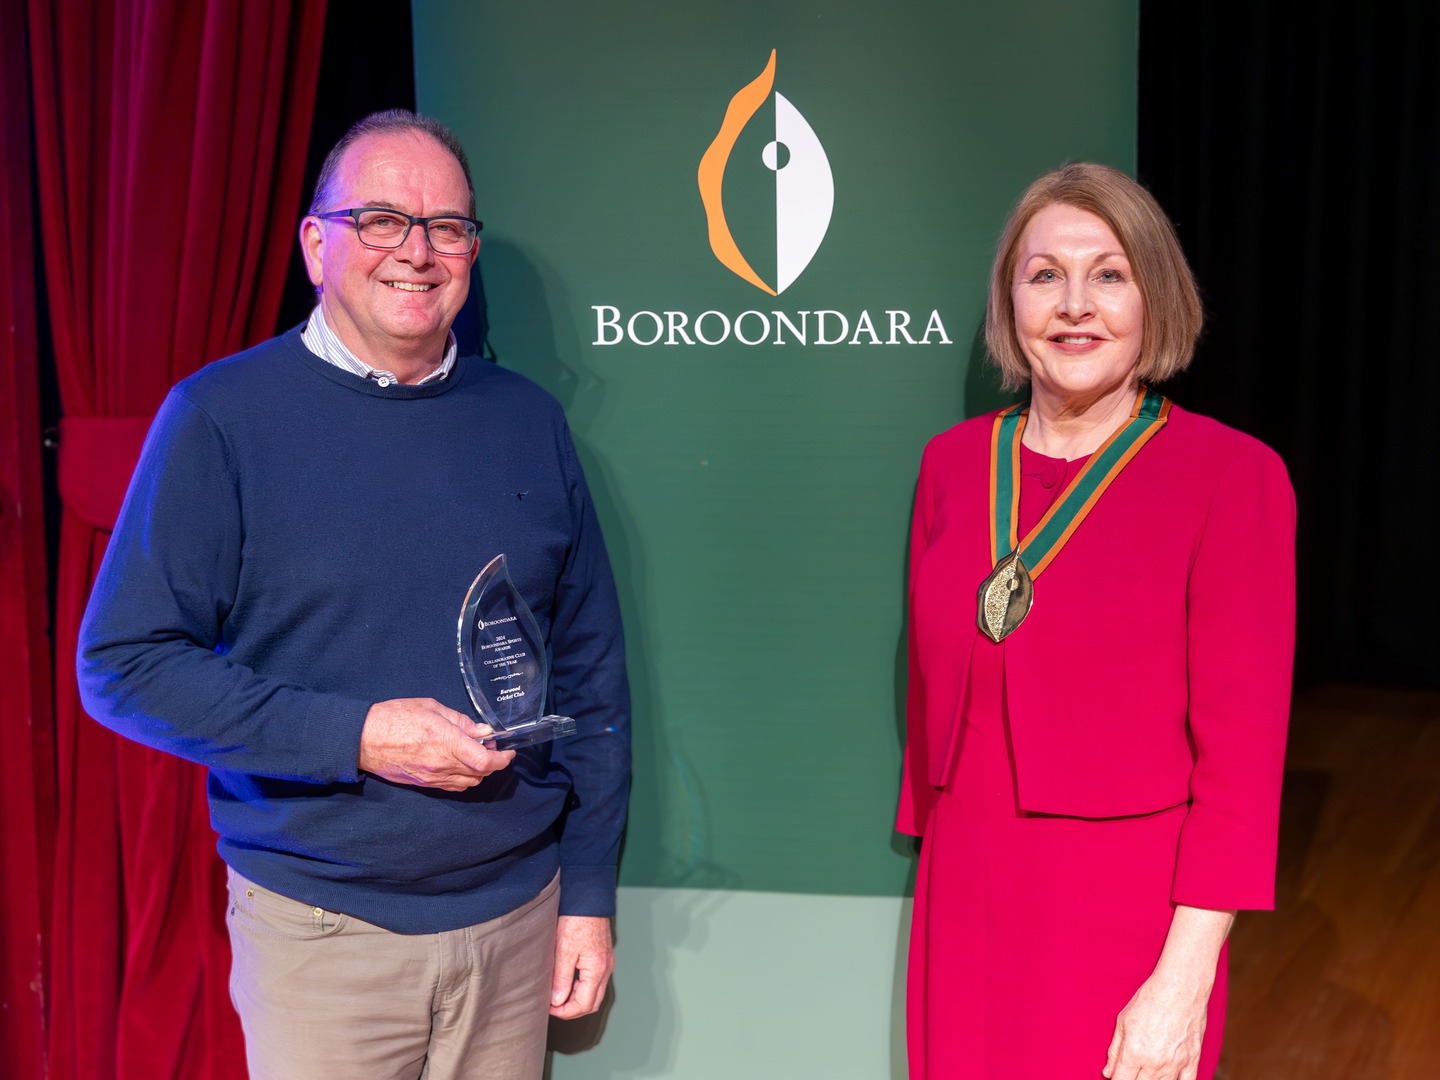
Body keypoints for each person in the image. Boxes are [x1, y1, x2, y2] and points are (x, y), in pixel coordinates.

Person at [77, 109, 631, 1080]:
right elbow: (123, 667)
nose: (417, 252)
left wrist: (586, 890)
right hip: (324, 937)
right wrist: (362, 735)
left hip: (517, 922)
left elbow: (591, 675)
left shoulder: (530, 424)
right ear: (315, 245)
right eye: (381, 219)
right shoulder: (220, 419)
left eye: (447, 226)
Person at [897, 163, 1294, 1080]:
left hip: (1127, 906)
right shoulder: (954, 465)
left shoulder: (1232, 479)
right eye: (1045, 275)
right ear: (1010, 300)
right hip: (965, 885)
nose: (1075, 305)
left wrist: (1184, 979)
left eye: (1109, 274)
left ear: (1155, 296)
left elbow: (1241, 764)